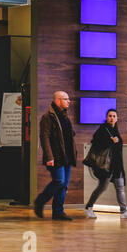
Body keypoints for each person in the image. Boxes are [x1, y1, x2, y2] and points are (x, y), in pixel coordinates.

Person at [84, 109, 127, 219]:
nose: (111, 118)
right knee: (102, 187)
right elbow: (96, 142)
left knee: (120, 187)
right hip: (106, 166)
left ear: (117, 118)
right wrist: (109, 141)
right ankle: (89, 207)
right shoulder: (103, 129)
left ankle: (124, 211)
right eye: (109, 116)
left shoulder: (115, 130)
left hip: (116, 165)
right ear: (106, 117)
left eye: (114, 116)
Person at [34, 91, 77, 221]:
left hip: (67, 156)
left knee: (64, 185)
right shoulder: (48, 117)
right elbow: (44, 137)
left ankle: (58, 212)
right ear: (58, 101)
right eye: (66, 99)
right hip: (56, 156)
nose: (69, 101)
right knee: (59, 181)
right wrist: (49, 156)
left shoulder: (65, 117)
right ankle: (40, 201)